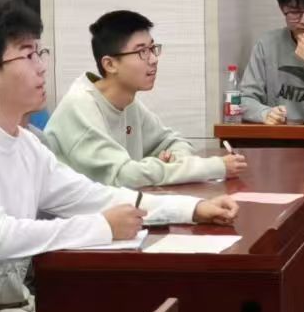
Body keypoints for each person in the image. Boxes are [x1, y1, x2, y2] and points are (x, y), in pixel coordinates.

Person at [0, 0, 239, 312]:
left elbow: (94, 196)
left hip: (6, 310)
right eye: (27, 55)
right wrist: (102, 227)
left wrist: (192, 209)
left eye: (40, 52)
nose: (41, 66)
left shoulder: (25, 145)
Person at [44, 10, 247, 187]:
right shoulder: (80, 106)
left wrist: (174, 160)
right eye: (142, 51)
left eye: (152, 48)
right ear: (110, 64)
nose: (153, 59)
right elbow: (123, 176)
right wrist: (212, 167)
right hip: (75, 217)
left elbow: (174, 141)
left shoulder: (128, 102)